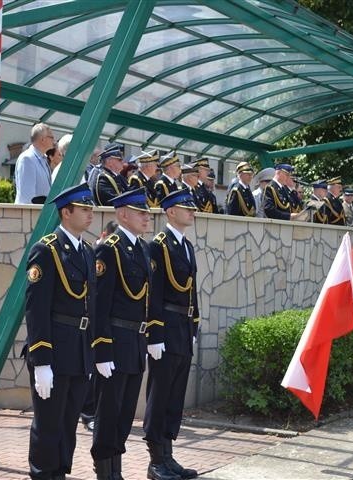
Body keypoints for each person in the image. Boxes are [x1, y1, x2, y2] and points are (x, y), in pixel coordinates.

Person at [23, 183, 97, 480]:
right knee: (49, 421)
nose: (90, 213)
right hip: (54, 348)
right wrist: (41, 361)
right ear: (66, 212)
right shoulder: (47, 250)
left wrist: (91, 352)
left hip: (78, 349)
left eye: (91, 207)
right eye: (84, 208)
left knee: (68, 421)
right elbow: (36, 308)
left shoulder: (87, 251)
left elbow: (89, 307)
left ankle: (59, 473)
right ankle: (43, 474)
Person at [90, 188, 152, 480]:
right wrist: (101, 349)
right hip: (114, 341)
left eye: (147, 212)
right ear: (122, 214)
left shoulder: (143, 248)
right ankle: (104, 470)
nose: (146, 217)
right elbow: (99, 305)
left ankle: (116, 469)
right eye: (140, 212)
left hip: (136, 343)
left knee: (126, 413)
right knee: (109, 411)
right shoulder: (109, 249)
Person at [144, 189, 200, 480]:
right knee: (160, 392)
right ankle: (155, 461)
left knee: (175, 395)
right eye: (186, 208)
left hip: (182, 326)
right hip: (164, 325)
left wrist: (194, 324)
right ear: (169, 212)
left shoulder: (187, 246)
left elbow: (191, 290)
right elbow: (153, 293)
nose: (192, 212)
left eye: (192, 208)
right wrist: (154, 333)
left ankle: (168, 455)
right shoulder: (158, 245)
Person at [15, 123, 55, 204]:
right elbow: (26, 198)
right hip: (31, 214)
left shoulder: (42, 158)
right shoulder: (27, 159)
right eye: (51, 137)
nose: (54, 141)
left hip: (40, 212)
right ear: (43, 139)